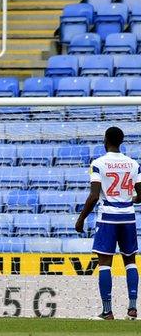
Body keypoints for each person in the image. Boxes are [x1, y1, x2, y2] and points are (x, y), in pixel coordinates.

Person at [76, 126, 141, 320]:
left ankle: (107, 311)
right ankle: (132, 309)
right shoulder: (133, 164)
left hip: (108, 218)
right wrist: (130, 199)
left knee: (105, 263)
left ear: (105, 140)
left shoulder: (98, 163)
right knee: (130, 261)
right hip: (128, 217)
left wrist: (81, 219)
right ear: (121, 141)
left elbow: (94, 196)